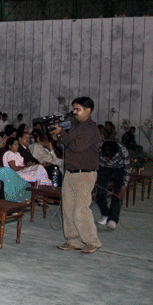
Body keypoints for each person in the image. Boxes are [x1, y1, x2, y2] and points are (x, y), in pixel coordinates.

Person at [50, 96, 102, 253]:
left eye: (78, 109)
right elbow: (65, 147)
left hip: (84, 174)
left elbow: (76, 146)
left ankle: (92, 241)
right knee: (68, 208)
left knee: (81, 209)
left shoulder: (91, 128)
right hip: (71, 172)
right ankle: (73, 240)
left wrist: (62, 133)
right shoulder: (76, 126)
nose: (74, 112)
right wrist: (58, 136)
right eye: (74, 109)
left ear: (88, 110)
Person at [95, 140, 129, 231]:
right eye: (105, 157)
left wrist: (124, 186)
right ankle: (105, 214)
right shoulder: (98, 147)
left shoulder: (123, 151)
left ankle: (113, 219)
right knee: (100, 193)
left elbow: (127, 170)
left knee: (118, 194)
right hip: (104, 168)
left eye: (109, 157)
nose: (107, 159)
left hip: (119, 169)